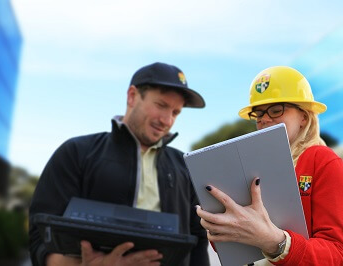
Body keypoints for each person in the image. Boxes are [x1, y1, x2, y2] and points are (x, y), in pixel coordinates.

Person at [29, 62, 210, 266]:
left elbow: (198, 239)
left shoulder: (185, 166)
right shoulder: (76, 152)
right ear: (132, 96)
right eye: (161, 105)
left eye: (176, 112)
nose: (167, 120)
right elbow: (40, 239)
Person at [196, 66, 343, 265]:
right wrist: (223, 226)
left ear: (304, 117)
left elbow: (341, 258)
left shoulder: (325, 164)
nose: (264, 119)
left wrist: (276, 242)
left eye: (276, 110)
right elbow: (241, 249)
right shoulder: (250, 167)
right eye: (258, 114)